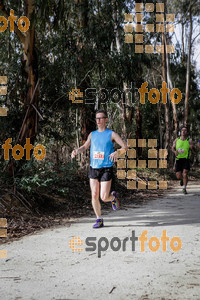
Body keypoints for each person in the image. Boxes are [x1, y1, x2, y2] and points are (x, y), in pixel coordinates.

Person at [71, 109, 128, 228]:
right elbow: (85, 146)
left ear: (106, 119)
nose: (98, 120)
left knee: (103, 197)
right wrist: (77, 150)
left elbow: (125, 147)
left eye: (101, 118)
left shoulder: (111, 134)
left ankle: (113, 197)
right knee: (94, 195)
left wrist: (117, 152)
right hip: (94, 168)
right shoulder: (92, 134)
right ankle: (99, 219)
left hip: (106, 168)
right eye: (97, 118)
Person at [172, 125, 194, 194]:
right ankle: (182, 180)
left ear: (187, 132)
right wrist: (174, 151)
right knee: (178, 176)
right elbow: (172, 148)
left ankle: (184, 188)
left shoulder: (189, 141)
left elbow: (194, 152)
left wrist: (192, 148)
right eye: (182, 130)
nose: (183, 132)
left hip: (186, 159)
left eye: (185, 131)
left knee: (185, 174)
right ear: (180, 132)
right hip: (178, 159)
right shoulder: (177, 140)